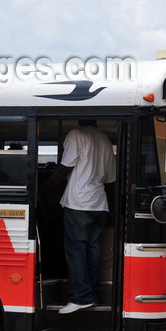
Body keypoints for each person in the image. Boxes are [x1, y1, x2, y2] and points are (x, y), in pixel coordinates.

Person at [41, 120, 115, 315]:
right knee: (92, 249)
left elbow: (63, 170)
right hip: (99, 204)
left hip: (79, 204)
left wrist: (42, 188)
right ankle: (90, 295)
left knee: (76, 250)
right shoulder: (105, 140)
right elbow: (110, 181)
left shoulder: (77, 134)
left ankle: (80, 297)